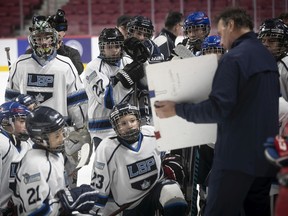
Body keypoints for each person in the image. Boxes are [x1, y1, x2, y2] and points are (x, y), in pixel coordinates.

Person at [154, 7, 279, 216]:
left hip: (236, 157)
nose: (220, 42)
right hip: (265, 155)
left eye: (220, 34)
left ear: (230, 25)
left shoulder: (234, 58)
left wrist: (177, 109)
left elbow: (218, 108)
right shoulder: (266, 57)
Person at [5, 15, 89, 187]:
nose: (43, 42)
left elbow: (77, 103)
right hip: (28, 135)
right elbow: (11, 102)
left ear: (54, 39)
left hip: (59, 135)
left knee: (63, 182)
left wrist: (80, 129)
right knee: (33, 181)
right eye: (39, 38)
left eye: (47, 38)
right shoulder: (20, 64)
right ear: (32, 40)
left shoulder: (66, 65)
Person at [89, 102, 188, 215]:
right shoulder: (106, 148)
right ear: (116, 127)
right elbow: (99, 187)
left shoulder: (153, 132)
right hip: (130, 206)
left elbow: (167, 151)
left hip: (155, 191)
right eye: (123, 123)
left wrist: (169, 161)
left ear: (138, 120)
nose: (129, 125)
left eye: (132, 120)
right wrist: (95, 210)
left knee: (173, 195)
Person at [84, 27, 145, 149]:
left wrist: (143, 60)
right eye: (109, 47)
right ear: (102, 48)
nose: (114, 51)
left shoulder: (128, 61)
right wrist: (124, 80)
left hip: (128, 125)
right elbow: (108, 101)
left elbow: (146, 87)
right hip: (103, 129)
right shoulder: (93, 68)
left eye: (117, 46)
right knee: (105, 165)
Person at [12, 106, 68, 215]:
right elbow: (35, 212)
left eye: (62, 132)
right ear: (40, 138)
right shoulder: (34, 166)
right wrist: (67, 203)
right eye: (57, 136)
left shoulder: (55, 154)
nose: (62, 138)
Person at [0, 101, 32, 215]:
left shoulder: (25, 143)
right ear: (6, 122)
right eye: (22, 121)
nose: (26, 126)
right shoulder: (2, 144)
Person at [258, 18, 288, 101]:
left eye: (271, 41)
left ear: (283, 44)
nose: (265, 44)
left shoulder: (286, 63)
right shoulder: (262, 63)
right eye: (263, 40)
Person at [49, 9, 84, 75]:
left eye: (61, 29)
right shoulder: (37, 53)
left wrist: (60, 51)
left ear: (64, 33)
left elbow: (78, 71)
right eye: (55, 29)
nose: (57, 32)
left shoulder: (73, 53)